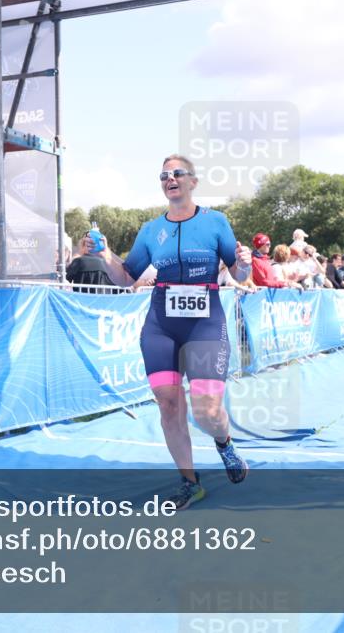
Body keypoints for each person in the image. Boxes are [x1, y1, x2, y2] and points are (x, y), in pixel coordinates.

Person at [92, 154, 253, 510]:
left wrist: (244, 265)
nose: (170, 179)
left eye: (178, 173)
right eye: (164, 175)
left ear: (193, 181)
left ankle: (224, 444)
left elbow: (239, 276)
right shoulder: (151, 230)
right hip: (161, 326)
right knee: (168, 403)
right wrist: (105, 254)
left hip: (204, 325)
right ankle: (189, 482)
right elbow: (126, 278)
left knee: (207, 410)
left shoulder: (216, 222)